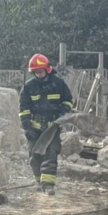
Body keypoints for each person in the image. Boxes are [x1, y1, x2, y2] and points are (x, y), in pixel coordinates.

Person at [19, 53, 74, 196]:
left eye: (40, 71)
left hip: (52, 128)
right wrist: (27, 127)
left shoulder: (58, 84)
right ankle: (38, 181)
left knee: (51, 154)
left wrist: (63, 112)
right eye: (35, 72)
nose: (38, 74)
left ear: (47, 69)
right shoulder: (28, 87)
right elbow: (24, 109)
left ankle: (48, 185)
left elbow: (68, 100)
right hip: (35, 128)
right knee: (34, 156)